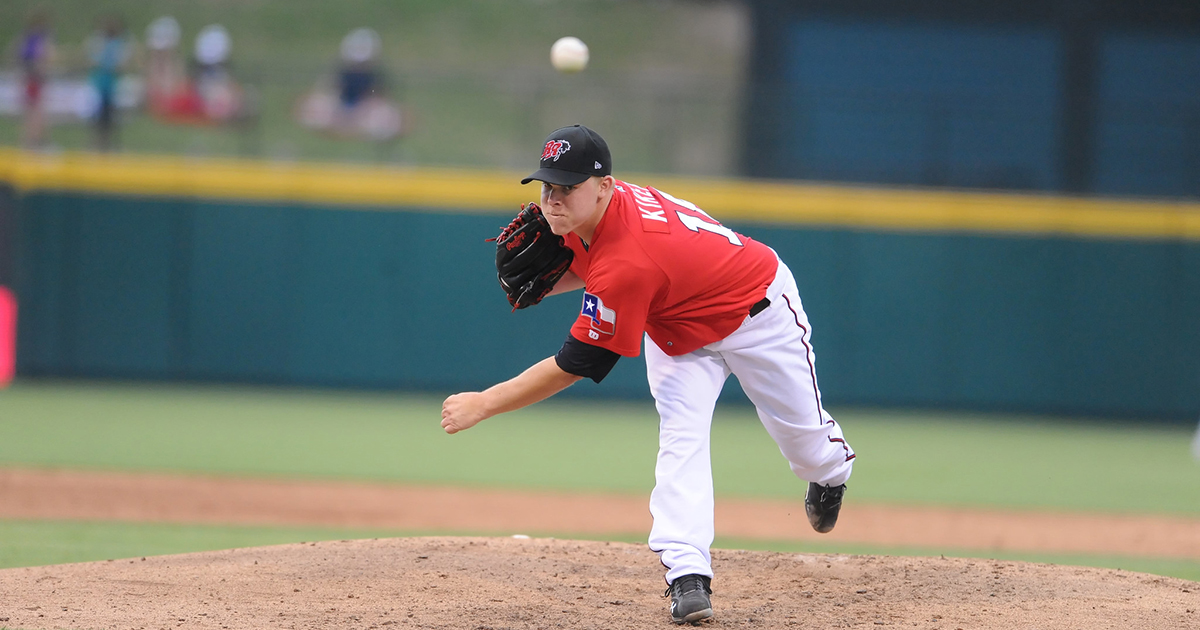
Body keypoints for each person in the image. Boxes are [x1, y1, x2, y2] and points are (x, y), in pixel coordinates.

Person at [441, 124, 856, 625]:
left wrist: (484, 403)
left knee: (805, 441)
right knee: (681, 435)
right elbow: (607, 264)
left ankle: (830, 473)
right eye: (548, 186)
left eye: (568, 187)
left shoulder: (628, 260)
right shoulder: (605, 217)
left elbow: (577, 363)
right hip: (677, 328)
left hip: (758, 313)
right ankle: (687, 575)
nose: (553, 199)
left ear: (605, 186)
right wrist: (559, 279)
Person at [85, 15, 132, 151]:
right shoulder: (98, 43)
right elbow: (92, 61)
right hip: (99, 86)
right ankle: (97, 145)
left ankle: (111, 146)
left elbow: (122, 64)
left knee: (112, 120)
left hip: (112, 88)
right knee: (97, 119)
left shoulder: (120, 44)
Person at [14, 9, 56, 149]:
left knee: (33, 113)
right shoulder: (36, 40)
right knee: (36, 113)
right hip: (34, 80)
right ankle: (33, 143)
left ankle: (32, 142)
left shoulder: (28, 39)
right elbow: (39, 61)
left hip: (31, 80)